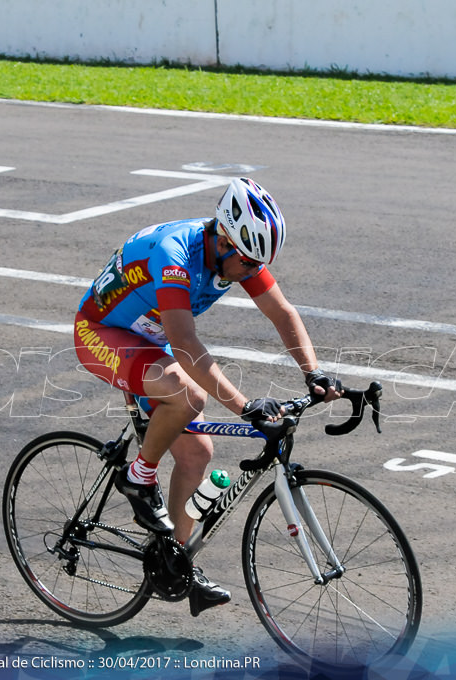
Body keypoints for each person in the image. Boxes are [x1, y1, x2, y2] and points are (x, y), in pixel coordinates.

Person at [73, 177, 342, 616]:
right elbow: (184, 344)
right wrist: (245, 406)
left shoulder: (237, 255)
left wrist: (314, 372)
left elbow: (282, 312)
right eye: (248, 262)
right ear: (223, 239)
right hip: (101, 333)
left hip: (145, 341)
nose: (252, 272)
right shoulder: (174, 256)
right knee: (187, 396)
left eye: (260, 264)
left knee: (198, 453)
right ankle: (137, 476)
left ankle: (173, 562)